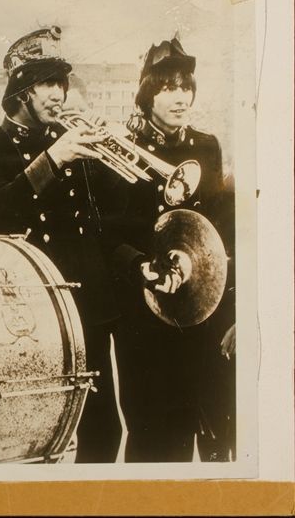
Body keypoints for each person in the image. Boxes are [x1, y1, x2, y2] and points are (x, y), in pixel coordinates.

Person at [0, 26, 123, 463]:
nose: (59, 95)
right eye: (48, 84)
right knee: (32, 431)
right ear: (21, 90)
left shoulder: (72, 139)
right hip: (31, 309)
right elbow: (1, 208)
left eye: (61, 84)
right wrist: (54, 158)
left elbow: (112, 215)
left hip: (89, 302)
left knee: (104, 426)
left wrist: (112, 149)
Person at [107, 37, 232, 462]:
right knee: (148, 425)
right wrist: (141, 264)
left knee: (188, 419)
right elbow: (107, 232)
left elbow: (217, 221)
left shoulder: (207, 145)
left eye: (185, 87)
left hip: (195, 304)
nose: (180, 98)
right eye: (167, 88)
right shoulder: (117, 146)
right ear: (147, 94)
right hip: (144, 305)